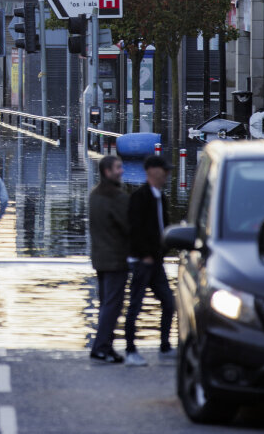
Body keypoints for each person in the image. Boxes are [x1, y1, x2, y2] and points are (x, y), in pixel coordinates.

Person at [123, 154, 176, 367]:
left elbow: (163, 227)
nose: (167, 174)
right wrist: (143, 254)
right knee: (135, 304)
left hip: (157, 261)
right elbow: (133, 229)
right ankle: (130, 350)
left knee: (169, 301)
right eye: (164, 170)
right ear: (152, 171)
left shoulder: (161, 197)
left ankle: (165, 345)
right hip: (142, 261)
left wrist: (164, 250)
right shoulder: (139, 197)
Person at [88, 155, 129, 364]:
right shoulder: (117, 198)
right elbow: (129, 226)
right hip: (116, 259)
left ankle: (106, 346)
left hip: (99, 258)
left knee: (106, 303)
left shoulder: (94, 195)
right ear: (107, 172)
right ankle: (102, 346)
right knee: (112, 304)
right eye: (118, 168)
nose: (121, 171)